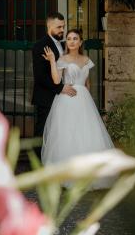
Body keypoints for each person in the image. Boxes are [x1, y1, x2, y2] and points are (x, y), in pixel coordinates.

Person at [41, 28, 114, 167]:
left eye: (75, 39)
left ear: (80, 42)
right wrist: (52, 61)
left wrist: (88, 101)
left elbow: (87, 83)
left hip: (84, 100)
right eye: (69, 39)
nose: (71, 41)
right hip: (67, 99)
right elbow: (56, 81)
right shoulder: (63, 59)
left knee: (86, 132)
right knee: (68, 132)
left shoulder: (86, 60)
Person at [32, 12, 77, 140]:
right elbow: (40, 76)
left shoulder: (64, 45)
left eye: (63, 26)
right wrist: (60, 88)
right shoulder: (40, 46)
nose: (62, 30)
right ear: (49, 26)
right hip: (47, 97)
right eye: (59, 27)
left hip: (64, 99)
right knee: (43, 133)